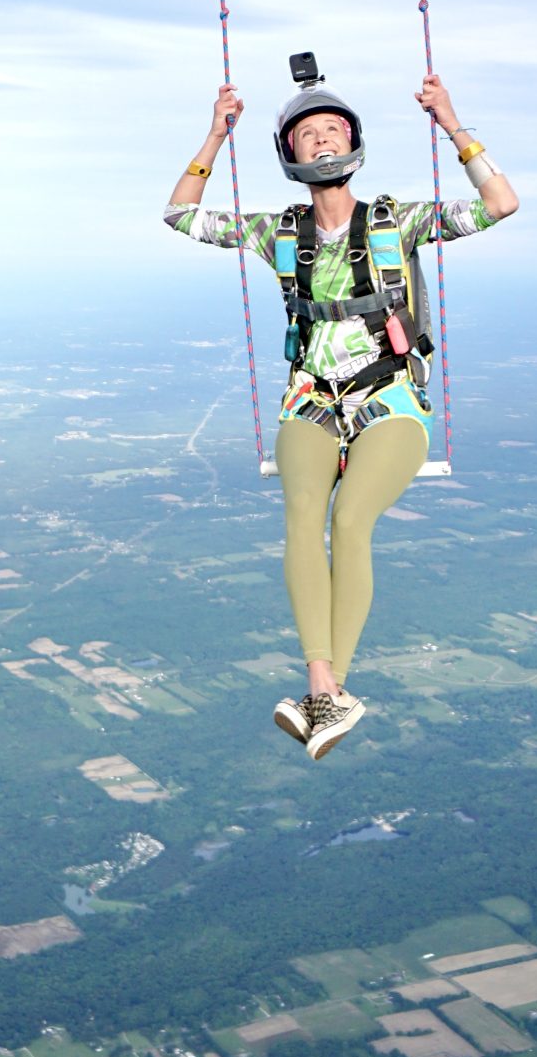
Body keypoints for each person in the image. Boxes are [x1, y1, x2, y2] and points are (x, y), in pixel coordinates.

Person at [165, 64, 518, 758]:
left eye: (332, 130)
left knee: (350, 517)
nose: (322, 142)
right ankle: (322, 686)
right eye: (307, 134)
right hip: (312, 395)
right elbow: (180, 215)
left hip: (389, 397)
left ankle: (331, 694)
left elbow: (500, 203)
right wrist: (214, 136)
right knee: (302, 512)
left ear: (352, 143)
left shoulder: (397, 222)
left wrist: (451, 122)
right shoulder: (281, 234)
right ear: (289, 154)